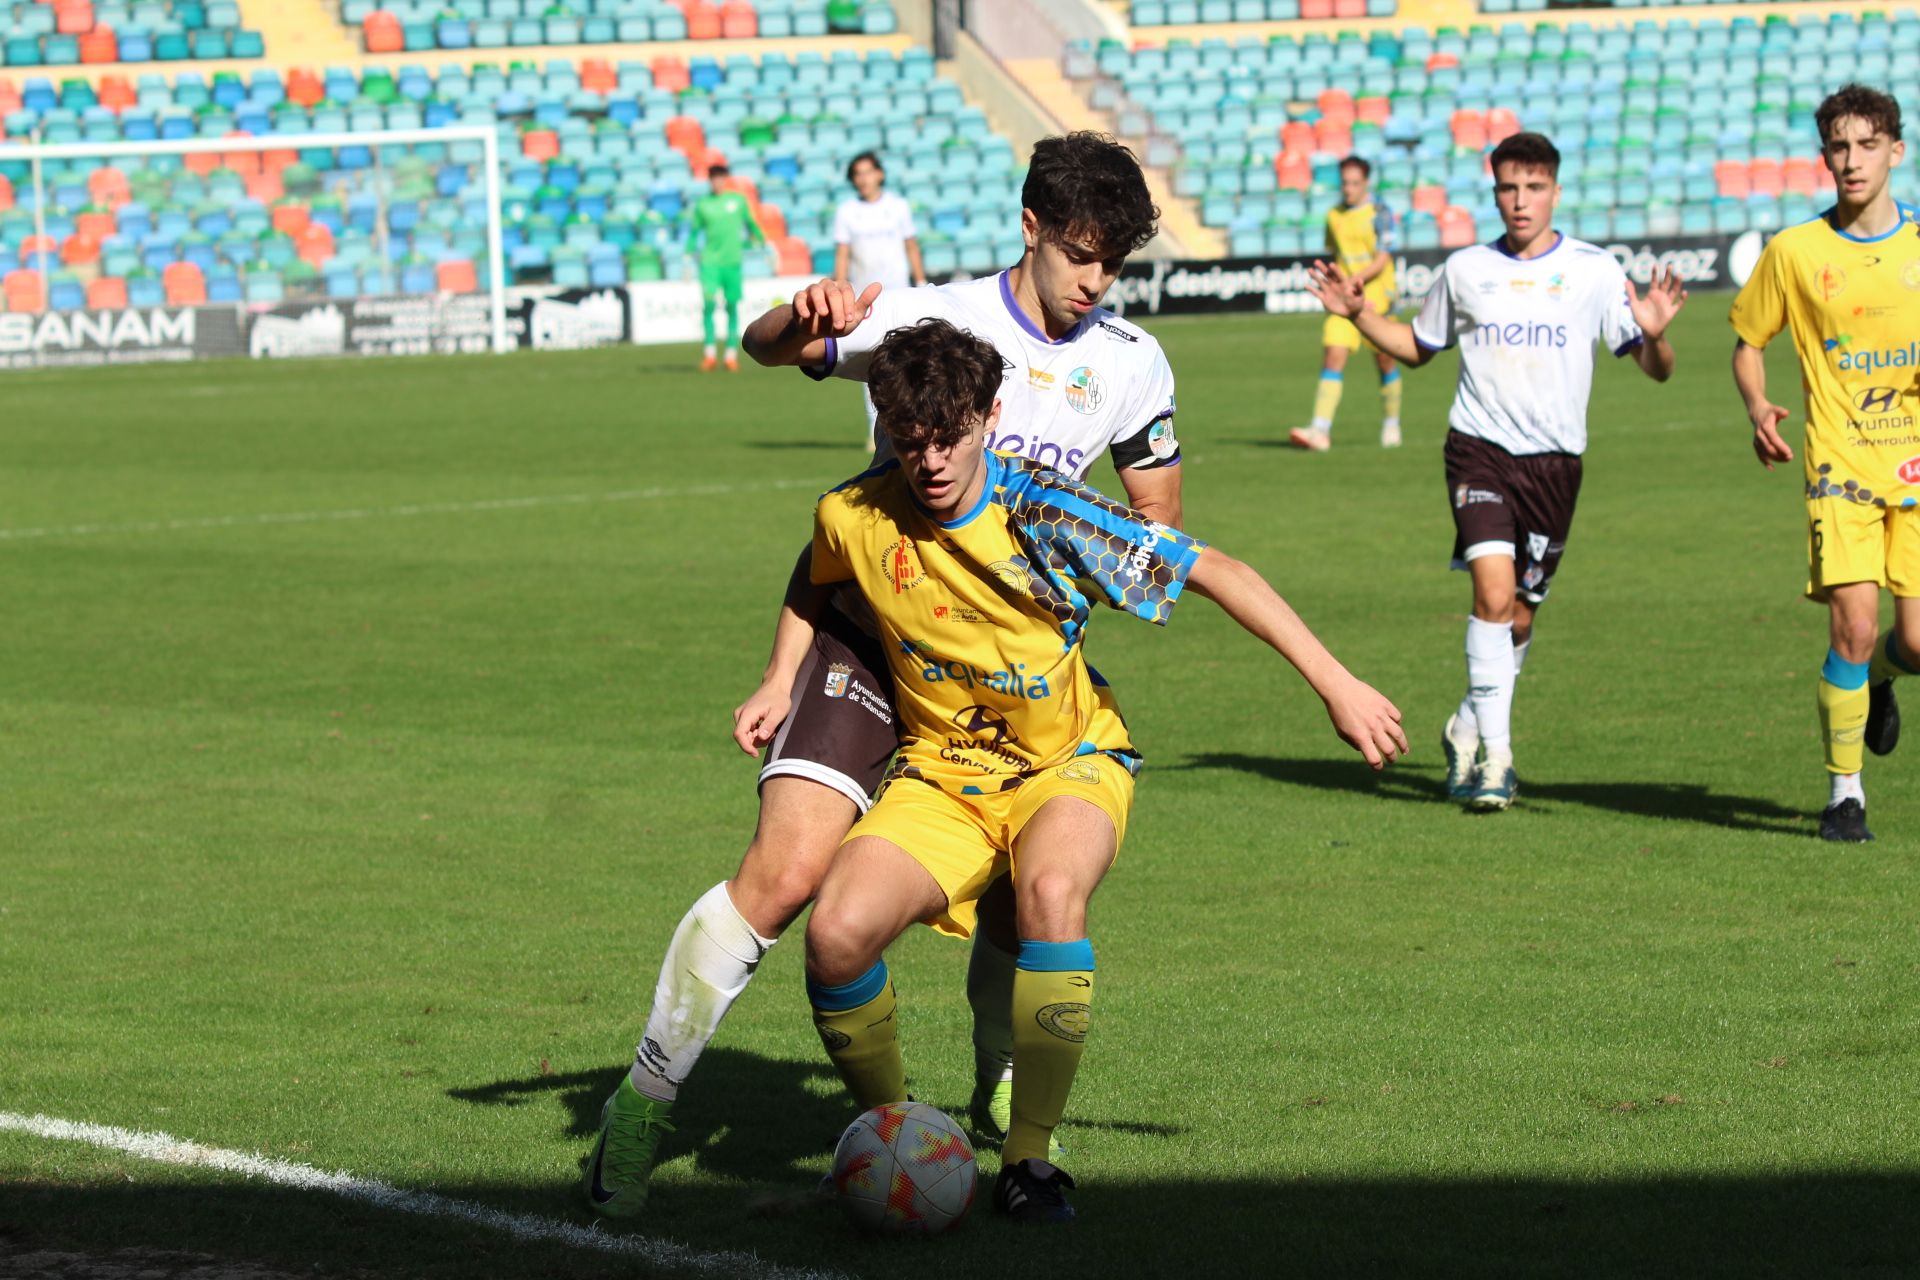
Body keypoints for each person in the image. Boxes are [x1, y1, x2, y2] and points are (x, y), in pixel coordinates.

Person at [585, 133, 1183, 1218]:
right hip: (872, 629)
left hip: (1007, 662)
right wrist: (800, 317)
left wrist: (1111, 555)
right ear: (1031, 228)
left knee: (1023, 888)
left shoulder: (1134, 360)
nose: (1096, 283)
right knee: (784, 872)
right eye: (1082, 255)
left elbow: (1160, 516)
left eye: (1116, 264)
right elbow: (775, 349)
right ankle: (643, 1101)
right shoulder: (930, 318)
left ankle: (1000, 1076)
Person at [748, 317, 1406, 1222]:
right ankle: (897, 1136)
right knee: (835, 936)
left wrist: (1338, 683)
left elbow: (1215, 569)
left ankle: (1029, 1160)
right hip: (943, 775)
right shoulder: (854, 511)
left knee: (1053, 893)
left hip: (1069, 761)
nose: (931, 460)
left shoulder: (1046, 513)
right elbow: (817, 576)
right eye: (909, 440)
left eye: (949, 435)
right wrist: (780, 678)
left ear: (990, 413)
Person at [1308, 131, 1686, 811]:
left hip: (1556, 465)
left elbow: (1657, 371)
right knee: (1491, 595)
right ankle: (1497, 761)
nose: (1520, 201)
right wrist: (1361, 312)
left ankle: (1465, 725)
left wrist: (1656, 335)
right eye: (1509, 188)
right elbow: (1417, 347)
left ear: (1555, 193)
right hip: (1477, 451)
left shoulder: (1595, 271)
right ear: (1495, 192)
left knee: (1518, 616)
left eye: (1534, 188)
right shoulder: (1466, 270)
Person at [1730, 84, 1920, 843]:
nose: (1852, 160)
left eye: (1867, 145)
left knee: (1910, 645)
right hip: (1839, 468)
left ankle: (1881, 680)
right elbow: (1749, 344)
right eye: (1838, 147)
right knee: (1854, 624)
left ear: (1895, 152)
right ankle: (1846, 796)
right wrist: (1757, 405)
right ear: (1824, 157)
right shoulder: (1796, 253)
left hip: (1915, 468)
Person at [1290, 156, 1405, 451]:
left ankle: (1392, 423)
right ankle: (1320, 430)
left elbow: (1383, 257)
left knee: (1384, 360)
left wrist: (1357, 279)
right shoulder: (1334, 215)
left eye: (1355, 183)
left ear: (1365, 183)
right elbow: (1334, 252)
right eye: (1344, 183)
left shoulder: (1380, 212)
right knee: (1333, 355)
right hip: (1343, 299)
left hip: (1376, 297)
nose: (1349, 189)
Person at [685, 164, 764, 372]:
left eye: (720, 177)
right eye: (713, 178)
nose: (717, 182)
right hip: (710, 263)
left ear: (725, 179)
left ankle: (730, 355)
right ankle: (709, 354)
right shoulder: (703, 205)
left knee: (731, 307)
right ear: (709, 180)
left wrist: (763, 243)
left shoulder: (737, 201)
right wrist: (686, 256)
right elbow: (694, 233)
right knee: (709, 305)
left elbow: (752, 225)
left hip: (733, 263)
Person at [832, 151, 927, 294]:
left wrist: (921, 283)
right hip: (862, 293)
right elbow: (842, 255)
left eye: (868, 172)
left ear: (879, 174)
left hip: (898, 290)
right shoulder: (845, 211)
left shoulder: (899, 206)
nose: (864, 179)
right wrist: (839, 289)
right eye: (858, 174)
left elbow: (911, 247)